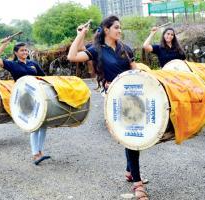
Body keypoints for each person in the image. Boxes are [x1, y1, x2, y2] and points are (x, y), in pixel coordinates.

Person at [67, 15, 149, 200]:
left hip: (133, 96)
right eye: (116, 28)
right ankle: (137, 183)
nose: (120, 31)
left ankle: (130, 171)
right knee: (131, 136)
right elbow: (72, 56)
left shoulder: (125, 49)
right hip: (114, 98)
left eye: (120, 28)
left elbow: (136, 71)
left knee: (134, 136)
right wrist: (80, 35)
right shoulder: (96, 50)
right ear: (106, 29)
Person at [0, 39, 50, 165]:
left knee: (44, 124)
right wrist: (4, 44)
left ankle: (40, 151)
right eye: (22, 50)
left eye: (26, 50)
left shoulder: (33, 63)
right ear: (16, 53)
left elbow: (44, 77)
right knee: (34, 125)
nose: (25, 52)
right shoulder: (12, 64)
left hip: (38, 96)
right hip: (24, 98)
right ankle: (35, 154)